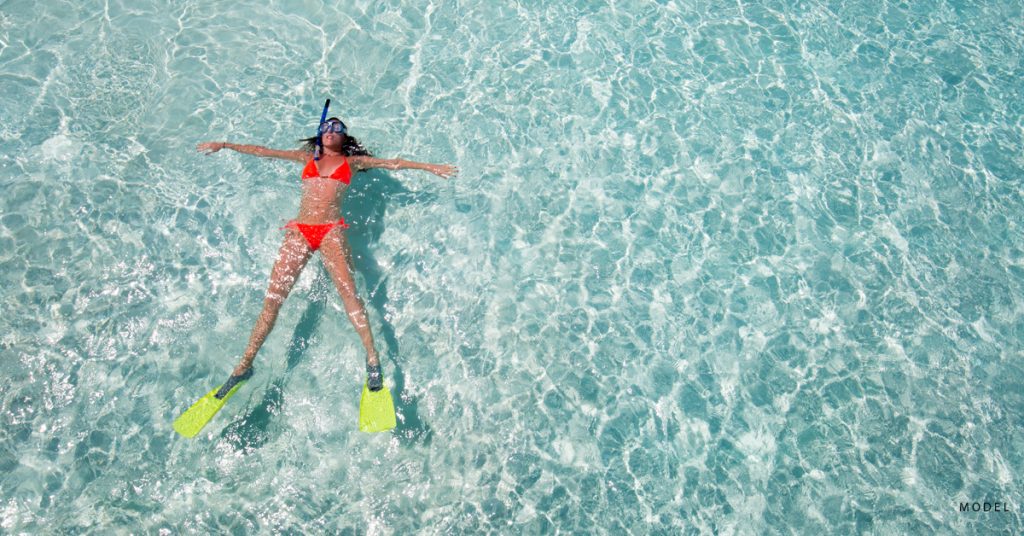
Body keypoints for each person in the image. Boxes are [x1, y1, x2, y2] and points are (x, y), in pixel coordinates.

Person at [196, 117, 457, 393]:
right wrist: (224, 145)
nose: (331, 131)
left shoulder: (352, 162)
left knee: (350, 296)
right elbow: (263, 151)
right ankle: (245, 365)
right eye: (326, 127)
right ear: (320, 134)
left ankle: (372, 358)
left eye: (337, 128)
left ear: (345, 137)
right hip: (299, 232)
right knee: (273, 300)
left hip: (331, 232)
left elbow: (394, 163)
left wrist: (431, 168)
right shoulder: (305, 157)